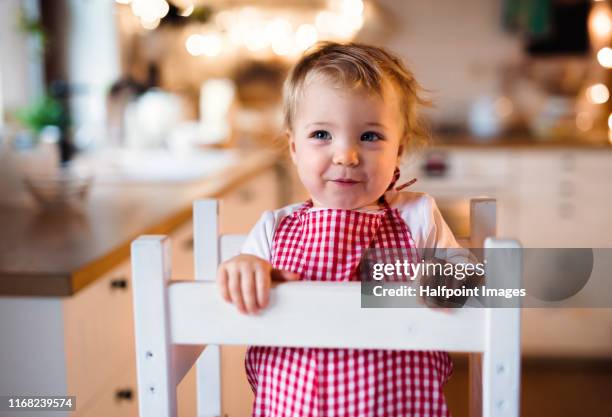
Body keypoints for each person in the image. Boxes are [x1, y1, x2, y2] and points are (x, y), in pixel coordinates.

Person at [216, 41, 470, 417]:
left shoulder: (417, 215)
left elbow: (468, 288)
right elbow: (235, 292)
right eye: (321, 135)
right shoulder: (273, 229)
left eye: (370, 136)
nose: (346, 155)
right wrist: (243, 268)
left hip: (398, 406)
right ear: (293, 148)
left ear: (398, 149)